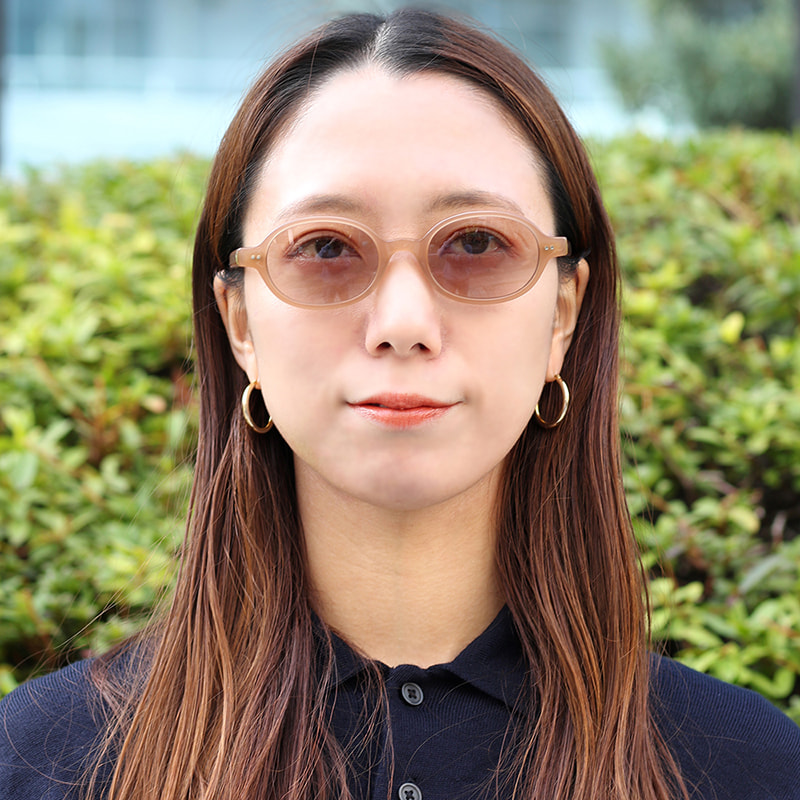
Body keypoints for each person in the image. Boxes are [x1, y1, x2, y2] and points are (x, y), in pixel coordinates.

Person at [1, 8, 799, 800]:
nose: (404, 323)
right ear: (239, 322)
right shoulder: (33, 762)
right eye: (325, 247)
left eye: (477, 243)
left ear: (563, 314)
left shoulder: (752, 769)